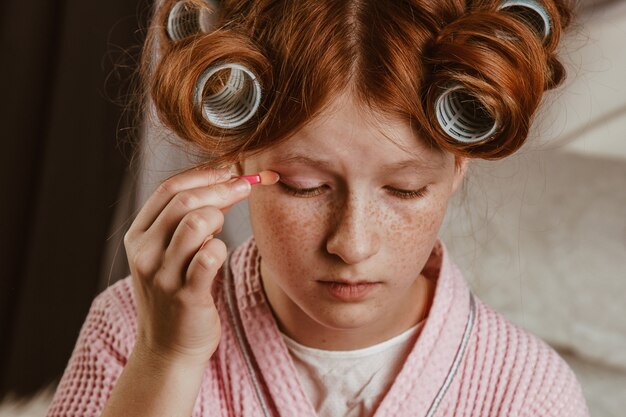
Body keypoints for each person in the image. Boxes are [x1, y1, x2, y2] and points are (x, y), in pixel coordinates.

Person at [46, 0, 590, 416]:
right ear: (236, 159)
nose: (351, 244)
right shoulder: (129, 333)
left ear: (458, 167)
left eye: (404, 191)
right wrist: (164, 360)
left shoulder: (525, 390)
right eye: (305, 186)